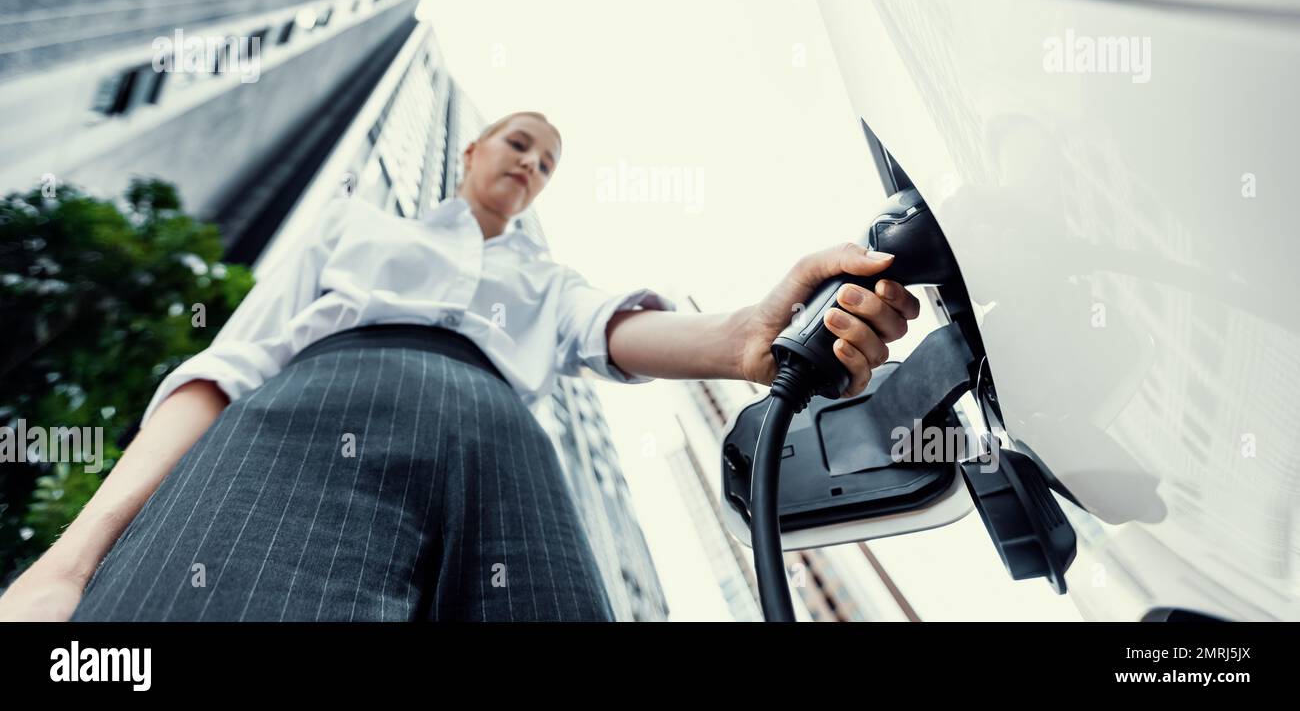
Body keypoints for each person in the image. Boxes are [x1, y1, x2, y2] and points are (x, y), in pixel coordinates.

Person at [0, 110, 920, 622]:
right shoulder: (354, 225)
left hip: (502, 447)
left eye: (550, 163)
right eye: (520, 143)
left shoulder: (542, 275)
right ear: (474, 146)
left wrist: (745, 340)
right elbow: (220, 370)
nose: (531, 164)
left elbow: (615, 333)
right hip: (315, 417)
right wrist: (70, 563)